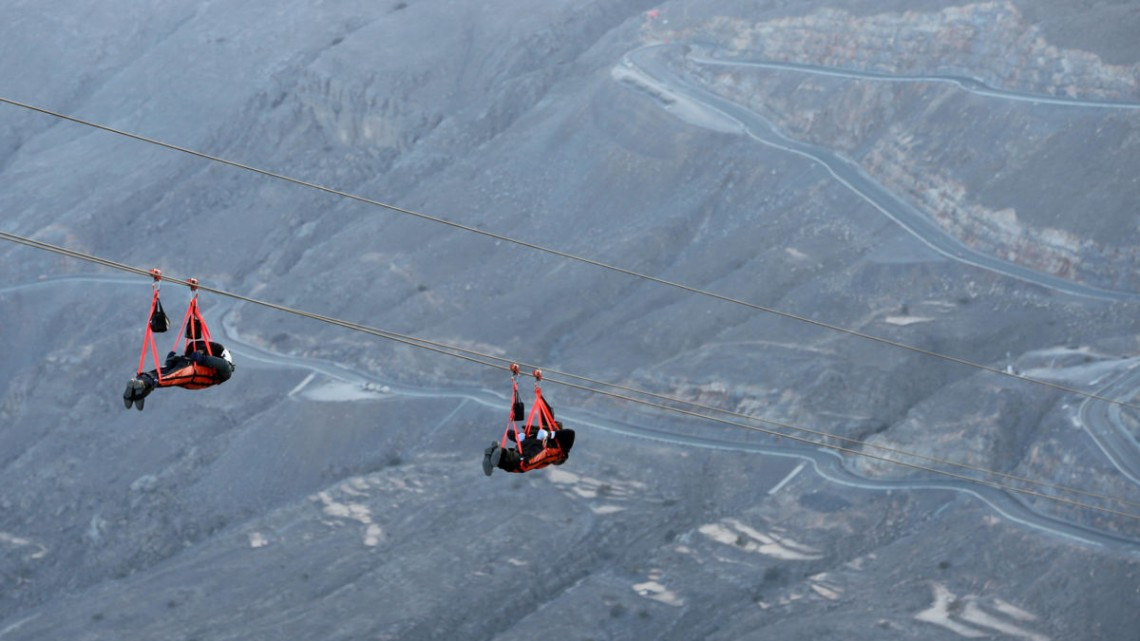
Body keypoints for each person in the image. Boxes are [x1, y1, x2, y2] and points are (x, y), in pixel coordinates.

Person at [123, 340, 234, 410]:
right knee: (165, 376)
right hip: (191, 372)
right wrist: (170, 360)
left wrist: (202, 358)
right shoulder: (217, 372)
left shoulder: (223, 370)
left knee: (166, 375)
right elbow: (223, 364)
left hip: (189, 370)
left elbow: (223, 365)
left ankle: (141, 385)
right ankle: (141, 383)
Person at [483, 408, 575, 475]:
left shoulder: (540, 433)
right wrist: (550, 434)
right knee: (524, 463)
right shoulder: (562, 449)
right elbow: (570, 433)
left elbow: (509, 433)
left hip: (528, 444)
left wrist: (517, 437)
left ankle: (498, 455)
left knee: (521, 457)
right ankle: (500, 456)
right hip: (537, 446)